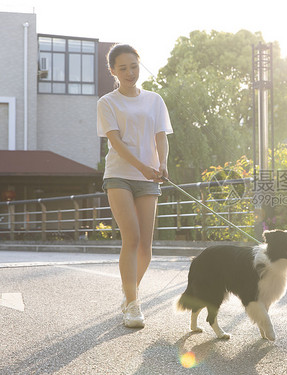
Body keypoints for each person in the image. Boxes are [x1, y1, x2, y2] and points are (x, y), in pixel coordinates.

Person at [97, 44, 173, 328]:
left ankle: (130, 293)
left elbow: (161, 136)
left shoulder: (154, 100)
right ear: (113, 71)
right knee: (131, 238)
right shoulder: (107, 102)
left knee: (146, 248)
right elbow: (115, 141)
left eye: (134, 66)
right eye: (123, 68)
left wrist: (162, 163)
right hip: (119, 175)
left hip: (149, 178)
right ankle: (132, 304)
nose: (130, 73)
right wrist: (142, 166)